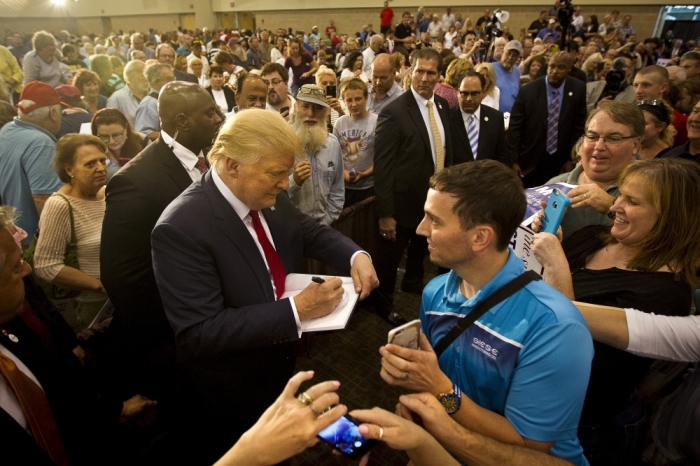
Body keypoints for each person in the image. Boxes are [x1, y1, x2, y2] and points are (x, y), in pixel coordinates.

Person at [150, 108, 377, 465]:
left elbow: (306, 230)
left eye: (286, 172)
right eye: (276, 173)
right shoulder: (180, 229)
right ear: (232, 165)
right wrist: (296, 310)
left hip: (278, 362)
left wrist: (355, 255)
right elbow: (198, 332)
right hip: (229, 390)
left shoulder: (268, 194)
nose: (286, 184)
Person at [380, 160, 593, 465]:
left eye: (434, 221)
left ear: (480, 237)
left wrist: (439, 389)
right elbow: (433, 374)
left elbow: (530, 445)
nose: (420, 229)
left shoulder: (555, 327)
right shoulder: (435, 291)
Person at [531, 157, 698, 465]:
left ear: (669, 219)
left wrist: (555, 264)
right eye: (620, 194)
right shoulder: (592, 237)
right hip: (542, 407)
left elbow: (572, 349)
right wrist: (540, 250)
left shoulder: (664, 292)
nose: (615, 205)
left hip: (589, 428)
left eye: (632, 201)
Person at [100, 82, 223, 417]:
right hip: (173, 335)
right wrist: (165, 340)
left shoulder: (207, 159)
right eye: (209, 112)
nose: (220, 117)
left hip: (213, 322)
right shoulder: (135, 181)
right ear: (182, 122)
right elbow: (121, 275)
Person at [0, 206, 158, 466]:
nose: (27, 269)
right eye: (16, 267)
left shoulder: (15, 333)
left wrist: (112, 411)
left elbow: (61, 397)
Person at [373, 47, 453, 324]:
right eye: (419, 71)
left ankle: (412, 283)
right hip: (400, 207)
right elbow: (382, 167)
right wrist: (386, 213)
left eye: (431, 73)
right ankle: (383, 304)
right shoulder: (394, 112)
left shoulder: (442, 106)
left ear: (439, 76)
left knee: (420, 251)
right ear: (410, 71)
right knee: (389, 261)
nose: (424, 78)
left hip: (431, 202)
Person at [33, 135, 108, 328]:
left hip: (120, 296)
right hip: (91, 305)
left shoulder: (107, 194)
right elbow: (46, 265)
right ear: (69, 170)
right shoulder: (59, 205)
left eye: (102, 160)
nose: (100, 167)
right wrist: (97, 285)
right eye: (90, 164)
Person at [546, 101, 642, 240]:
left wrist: (612, 206)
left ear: (635, 145)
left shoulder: (653, 188)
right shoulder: (554, 186)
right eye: (592, 137)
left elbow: (663, 238)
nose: (599, 146)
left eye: (613, 138)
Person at [508, 52, 587, 187]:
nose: (554, 71)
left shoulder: (578, 88)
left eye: (561, 68)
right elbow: (515, 127)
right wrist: (513, 161)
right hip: (530, 159)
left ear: (569, 69)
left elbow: (578, 127)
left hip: (560, 159)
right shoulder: (529, 91)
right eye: (552, 66)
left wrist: (571, 159)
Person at [0, 81, 63, 240]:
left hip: (12, 235)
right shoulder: (41, 143)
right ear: (53, 113)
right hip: (32, 240)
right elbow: (43, 199)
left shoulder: (7, 129)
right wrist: (57, 240)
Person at [287, 85, 344, 225]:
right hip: (290, 227)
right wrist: (294, 181)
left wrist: (325, 222)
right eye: (305, 106)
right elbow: (271, 196)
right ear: (296, 108)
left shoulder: (333, 143)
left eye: (317, 108)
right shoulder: (283, 142)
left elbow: (337, 191)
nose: (310, 113)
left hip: (324, 227)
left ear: (326, 111)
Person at [333, 78, 377, 207]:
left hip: (369, 186)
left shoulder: (376, 121)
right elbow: (335, 156)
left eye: (358, 99)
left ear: (366, 98)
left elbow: (381, 158)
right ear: (343, 101)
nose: (354, 104)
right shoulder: (340, 123)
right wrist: (343, 173)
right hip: (344, 187)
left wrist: (364, 174)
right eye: (349, 100)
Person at [451, 71, 507, 165]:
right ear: (458, 92)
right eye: (464, 93)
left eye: (474, 94)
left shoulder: (496, 118)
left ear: (483, 93)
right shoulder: (447, 118)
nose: (469, 99)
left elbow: (501, 155)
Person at [633, 65, 688, 147]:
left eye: (646, 85)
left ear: (663, 87)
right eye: (635, 85)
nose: (638, 91)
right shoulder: (627, 114)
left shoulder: (681, 121)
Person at [90, 107, 144, 176]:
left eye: (117, 135)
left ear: (126, 128)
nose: (111, 141)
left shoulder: (143, 141)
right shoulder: (93, 151)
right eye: (104, 136)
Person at [134, 62, 175, 141]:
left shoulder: (166, 100)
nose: (173, 83)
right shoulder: (148, 104)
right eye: (169, 79)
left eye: (174, 79)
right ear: (156, 82)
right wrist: (174, 138)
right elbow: (143, 134)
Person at [106, 59, 148, 127]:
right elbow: (111, 126)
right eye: (143, 76)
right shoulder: (116, 99)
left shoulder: (152, 96)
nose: (147, 79)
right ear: (131, 78)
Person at [493, 40, 521, 113]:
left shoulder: (517, 72)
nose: (510, 57)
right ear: (502, 52)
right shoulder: (490, 68)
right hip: (494, 116)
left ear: (518, 58)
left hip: (510, 118)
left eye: (514, 55)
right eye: (508, 53)